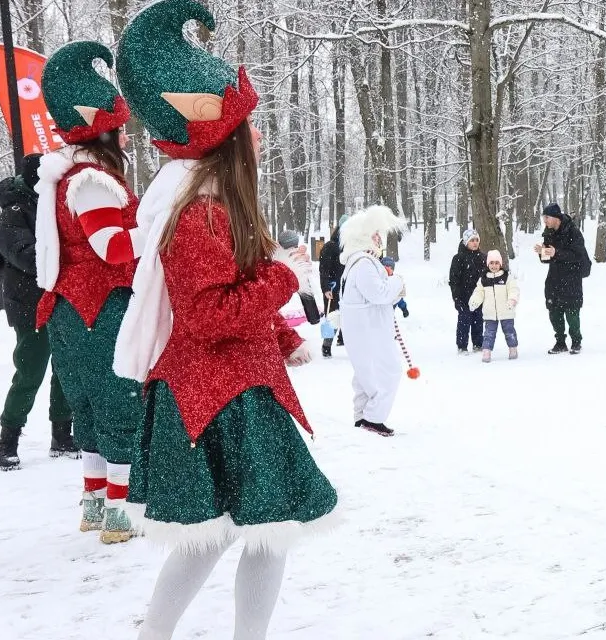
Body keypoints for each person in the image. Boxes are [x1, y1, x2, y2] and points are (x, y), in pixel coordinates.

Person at [112, 2, 338, 636]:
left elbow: (230, 294)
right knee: (222, 538)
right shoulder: (198, 216)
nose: (258, 137)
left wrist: (283, 331)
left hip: (234, 388)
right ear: (221, 136)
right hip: (215, 396)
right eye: (248, 126)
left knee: (256, 534)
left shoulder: (219, 208)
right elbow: (211, 316)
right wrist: (284, 278)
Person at [35, 41, 146, 543]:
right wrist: (165, 230)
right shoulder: (93, 182)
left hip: (70, 311)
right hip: (100, 311)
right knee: (118, 403)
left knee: (90, 409)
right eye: (120, 127)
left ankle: (95, 506)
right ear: (101, 129)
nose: (126, 136)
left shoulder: (67, 178)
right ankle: (119, 517)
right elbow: (115, 249)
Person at [0, 154, 77, 470]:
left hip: (58, 297)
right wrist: (67, 258)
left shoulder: (51, 202)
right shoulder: (14, 211)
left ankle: (62, 435)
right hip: (29, 304)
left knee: (65, 369)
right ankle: (6, 441)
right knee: (30, 371)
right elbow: (24, 254)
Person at [337, 206, 408, 436]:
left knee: (365, 375)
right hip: (370, 332)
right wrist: (397, 282)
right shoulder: (364, 264)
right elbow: (379, 293)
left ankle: (362, 416)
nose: (379, 238)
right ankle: (373, 418)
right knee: (388, 371)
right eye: (375, 234)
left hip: (364, 331)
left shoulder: (354, 264)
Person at [535, 203, 590, 354]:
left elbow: (578, 256)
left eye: (547, 217)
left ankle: (576, 341)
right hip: (554, 278)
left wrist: (556, 253)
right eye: (544, 218)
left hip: (572, 278)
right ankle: (560, 342)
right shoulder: (548, 233)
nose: (544, 221)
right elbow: (547, 259)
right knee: (554, 312)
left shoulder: (573, 232)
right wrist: (542, 253)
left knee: (572, 313)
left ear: (555, 218)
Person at [469, 250, 520, 363]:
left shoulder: (507, 277)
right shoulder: (483, 279)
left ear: (500, 264)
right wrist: (475, 301)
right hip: (490, 313)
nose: (494, 265)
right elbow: (479, 292)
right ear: (488, 264)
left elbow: (513, 289)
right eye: (491, 263)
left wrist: (512, 299)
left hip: (506, 311)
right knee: (489, 333)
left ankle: (513, 348)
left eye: (497, 263)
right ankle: (486, 351)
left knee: (509, 331)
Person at [449, 229, 486, 354]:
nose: (475, 243)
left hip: (479, 296)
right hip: (464, 296)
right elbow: (454, 280)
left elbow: (486, 277)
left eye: (476, 240)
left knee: (478, 321)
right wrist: (456, 298)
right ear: (466, 242)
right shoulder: (458, 258)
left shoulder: (482, 257)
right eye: (472, 240)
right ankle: (462, 346)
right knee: (464, 322)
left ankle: (478, 344)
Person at [318, 215, 347, 358]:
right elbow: (323, 269)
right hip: (333, 289)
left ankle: (344, 339)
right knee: (333, 316)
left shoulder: (351, 247)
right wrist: (326, 288)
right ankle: (326, 346)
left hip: (348, 288)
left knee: (349, 316)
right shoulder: (330, 246)